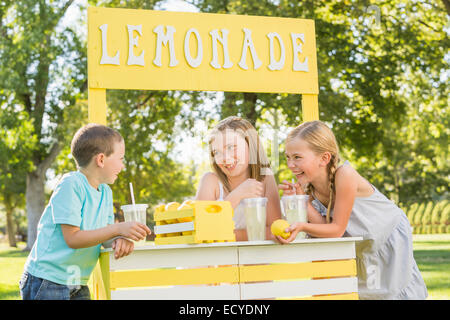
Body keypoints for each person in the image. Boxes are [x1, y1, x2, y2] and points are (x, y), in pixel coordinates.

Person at [277, 120, 428, 300]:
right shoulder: (310, 191)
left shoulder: (345, 175)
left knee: (393, 292)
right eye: (287, 157)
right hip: (363, 247)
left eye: (297, 157)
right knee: (366, 294)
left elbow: (337, 228)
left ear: (324, 158)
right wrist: (302, 202)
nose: (290, 164)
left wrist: (302, 226)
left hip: (386, 238)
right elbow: (330, 235)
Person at [20, 124, 151, 300]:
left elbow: (102, 234)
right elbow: (73, 239)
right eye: (121, 158)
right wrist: (118, 229)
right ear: (101, 160)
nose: (123, 165)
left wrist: (118, 239)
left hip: (78, 281)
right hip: (47, 280)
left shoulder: (105, 192)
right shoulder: (71, 185)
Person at [195, 116, 282, 241]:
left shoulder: (265, 178)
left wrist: (226, 235)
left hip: (255, 260)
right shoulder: (210, 181)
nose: (224, 158)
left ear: (250, 144)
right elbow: (203, 231)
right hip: (220, 260)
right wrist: (237, 194)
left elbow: (275, 231)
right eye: (217, 152)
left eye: (231, 147)